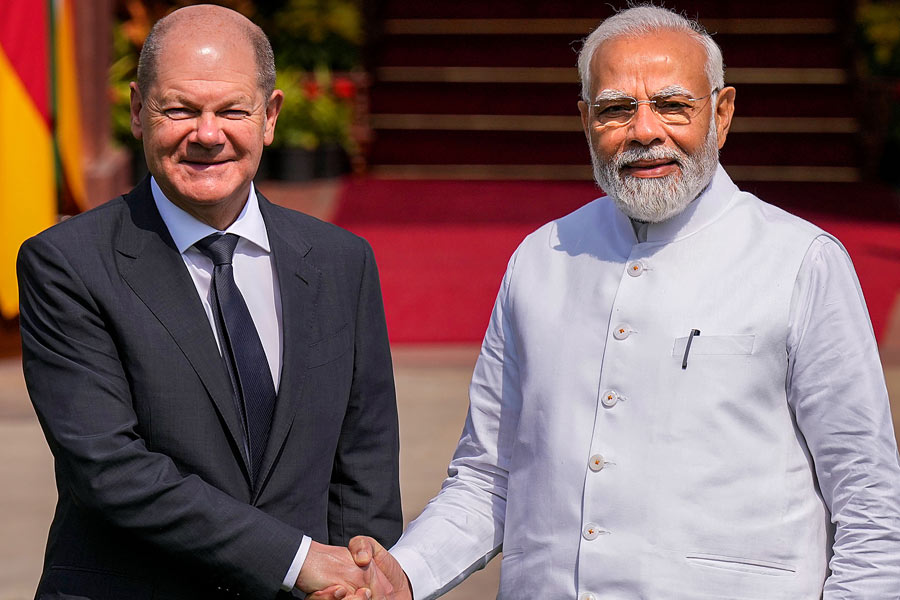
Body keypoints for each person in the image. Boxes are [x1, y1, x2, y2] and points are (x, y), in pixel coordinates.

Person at [323, 5, 900, 599]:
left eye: (674, 105)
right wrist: (406, 573)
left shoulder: (799, 260)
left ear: (723, 114)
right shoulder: (543, 257)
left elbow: (868, 499)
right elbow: (489, 476)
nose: (645, 130)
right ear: (585, 120)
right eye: (617, 109)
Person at [17, 5, 400, 599]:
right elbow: (110, 469)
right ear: (138, 112)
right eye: (180, 109)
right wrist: (296, 561)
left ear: (269, 117)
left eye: (232, 110)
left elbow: (364, 459)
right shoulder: (67, 264)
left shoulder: (340, 261)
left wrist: (360, 579)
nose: (207, 134)